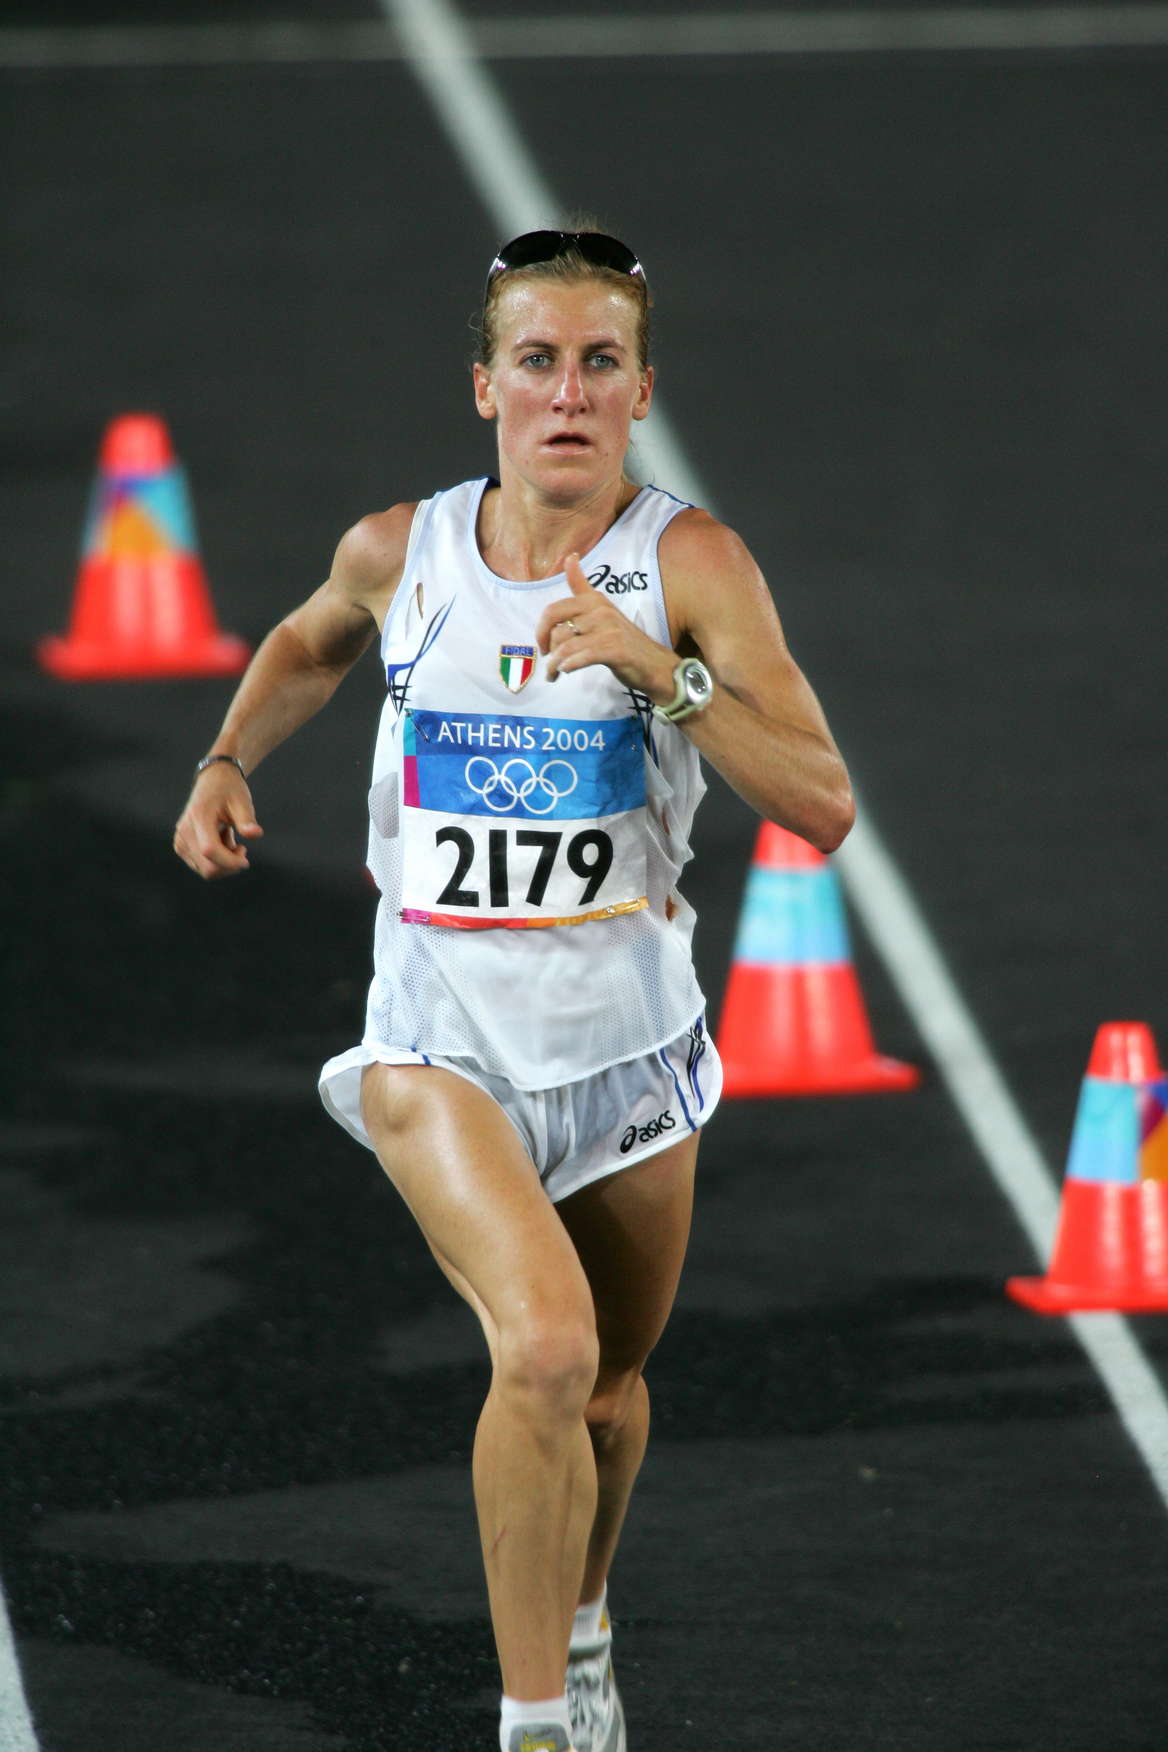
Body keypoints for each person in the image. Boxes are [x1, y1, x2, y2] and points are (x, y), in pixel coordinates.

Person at [174, 226, 854, 1752]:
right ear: (485, 388)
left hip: (629, 1051)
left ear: (641, 393)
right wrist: (227, 758)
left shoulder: (692, 567)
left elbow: (821, 802)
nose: (568, 393)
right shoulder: (398, 550)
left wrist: (661, 673)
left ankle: (586, 1623)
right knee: (542, 1349)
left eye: (600, 363)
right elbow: (309, 642)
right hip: (441, 1044)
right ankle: (537, 1721)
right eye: (537, 361)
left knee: (608, 1391)